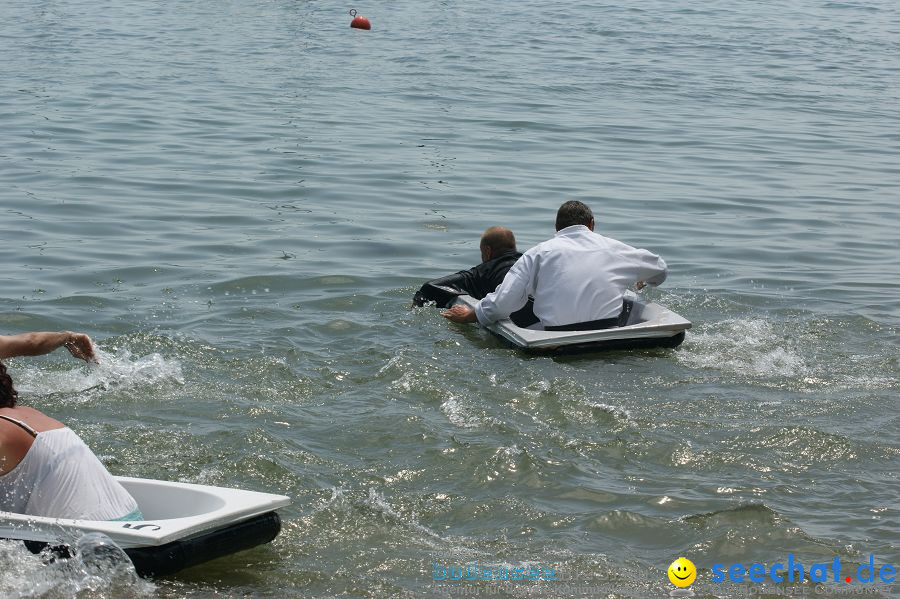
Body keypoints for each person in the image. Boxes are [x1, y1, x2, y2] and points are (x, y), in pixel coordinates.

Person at [442, 201, 668, 330]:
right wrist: (645, 279)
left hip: (558, 341)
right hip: (609, 334)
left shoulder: (537, 253)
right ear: (591, 224)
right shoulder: (616, 248)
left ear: (557, 228)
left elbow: (504, 301)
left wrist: (472, 314)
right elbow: (660, 268)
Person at [0, 331, 142, 521]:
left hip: (99, 541)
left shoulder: (3, 431)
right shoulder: (28, 415)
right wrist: (68, 337)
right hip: (132, 519)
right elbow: (32, 341)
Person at [414, 226, 538, 327]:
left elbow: (430, 287)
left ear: (487, 251)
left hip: (518, 323)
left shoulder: (483, 271)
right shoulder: (530, 263)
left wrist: (415, 310)